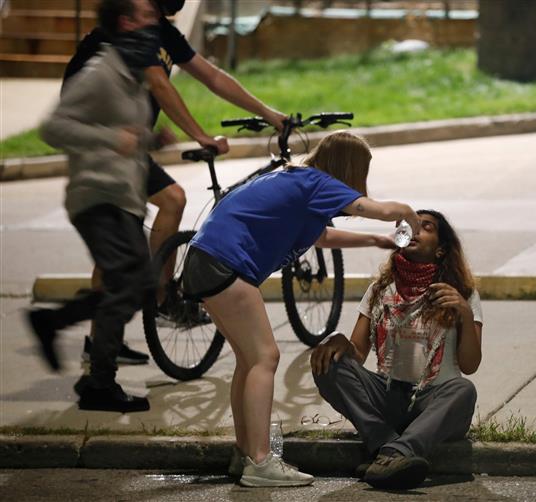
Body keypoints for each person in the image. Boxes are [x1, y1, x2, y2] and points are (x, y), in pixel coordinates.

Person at [181, 130, 421, 487]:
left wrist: (376, 240)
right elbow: (384, 211)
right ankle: (261, 463)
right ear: (350, 168)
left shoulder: (300, 181)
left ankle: (246, 455)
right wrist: (408, 216)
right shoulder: (317, 182)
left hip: (205, 259)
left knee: (250, 361)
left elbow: (320, 236)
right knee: (265, 357)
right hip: (225, 263)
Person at [62, 0, 287, 366]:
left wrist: (266, 112)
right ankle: (163, 299)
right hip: (104, 147)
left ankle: (106, 337)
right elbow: (159, 85)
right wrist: (200, 136)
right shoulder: (131, 25)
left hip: (125, 148)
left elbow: (211, 76)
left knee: (139, 228)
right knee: (166, 204)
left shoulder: (162, 30)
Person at [27, 0, 172, 412]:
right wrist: (113, 140)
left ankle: (54, 324)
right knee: (129, 283)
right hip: (96, 197)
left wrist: (148, 140)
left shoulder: (130, 76)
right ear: (126, 22)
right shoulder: (99, 72)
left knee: (139, 284)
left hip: (122, 198)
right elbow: (53, 127)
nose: (155, 22)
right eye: (147, 16)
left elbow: (121, 130)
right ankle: (98, 382)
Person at [310, 209, 483, 490]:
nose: (413, 230)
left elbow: (470, 365)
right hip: (388, 396)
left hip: (434, 400)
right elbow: (357, 352)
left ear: (440, 250)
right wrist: (340, 342)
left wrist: (463, 312)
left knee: (464, 390)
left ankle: (390, 452)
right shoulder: (380, 290)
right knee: (329, 363)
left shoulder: (462, 293)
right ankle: (390, 448)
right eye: (408, 226)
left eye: (424, 226)